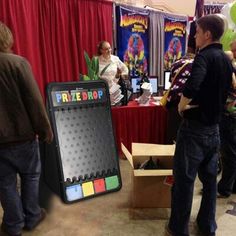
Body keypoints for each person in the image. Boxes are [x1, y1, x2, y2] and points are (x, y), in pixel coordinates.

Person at [167, 14, 233, 236]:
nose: (194, 36)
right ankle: (207, 225)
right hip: (214, 129)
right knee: (210, 181)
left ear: (207, 34)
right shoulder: (226, 59)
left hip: (194, 130)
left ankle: (178, 229)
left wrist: (181, 106)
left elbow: (193, 84)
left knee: (184, 182)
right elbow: (232, 86)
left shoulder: (203, 57)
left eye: (197, 31)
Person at [0, 22, 53, 236]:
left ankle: (13, 225)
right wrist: (45, 129)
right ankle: (32, 217)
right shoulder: (18, 63)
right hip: (23, 137)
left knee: (5, 182)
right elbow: (34, 100)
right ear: (7, 38)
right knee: (31, 177)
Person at [217, 46, 236, 198]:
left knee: (228, 154)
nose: (232, 52)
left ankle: (225, 187)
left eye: (234, 50)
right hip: (231, 115)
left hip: (230, 115)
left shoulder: (232, 71)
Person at [97, 40, 129, 106]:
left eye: (109, 48)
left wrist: (119, 76)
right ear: (101, 50)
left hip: (115, 91)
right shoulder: (96, 60)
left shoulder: (115, 59)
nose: (109, 50)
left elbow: (125, 69)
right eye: (106, 49)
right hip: (102, 92)